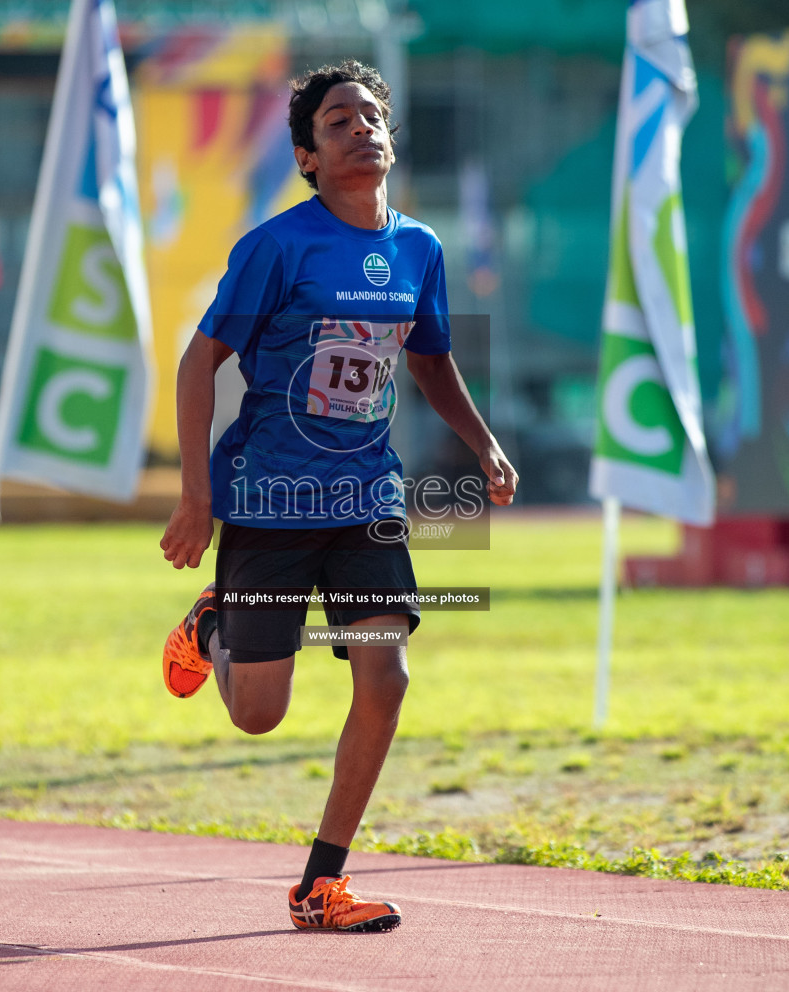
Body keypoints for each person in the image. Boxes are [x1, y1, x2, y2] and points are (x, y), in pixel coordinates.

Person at [158, 60, 518, 932]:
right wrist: (196, 497)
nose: (360, 129)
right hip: (269, 499)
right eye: (337, 123)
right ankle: (214, 624)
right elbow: (197, 363)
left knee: (385, 677)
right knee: (257, 713)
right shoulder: (277, 248)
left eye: (369, 115)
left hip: (365, 496)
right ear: (308, 156)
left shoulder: (419, 249)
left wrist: (484, 443)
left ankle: (321, 883)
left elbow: (429, 357)